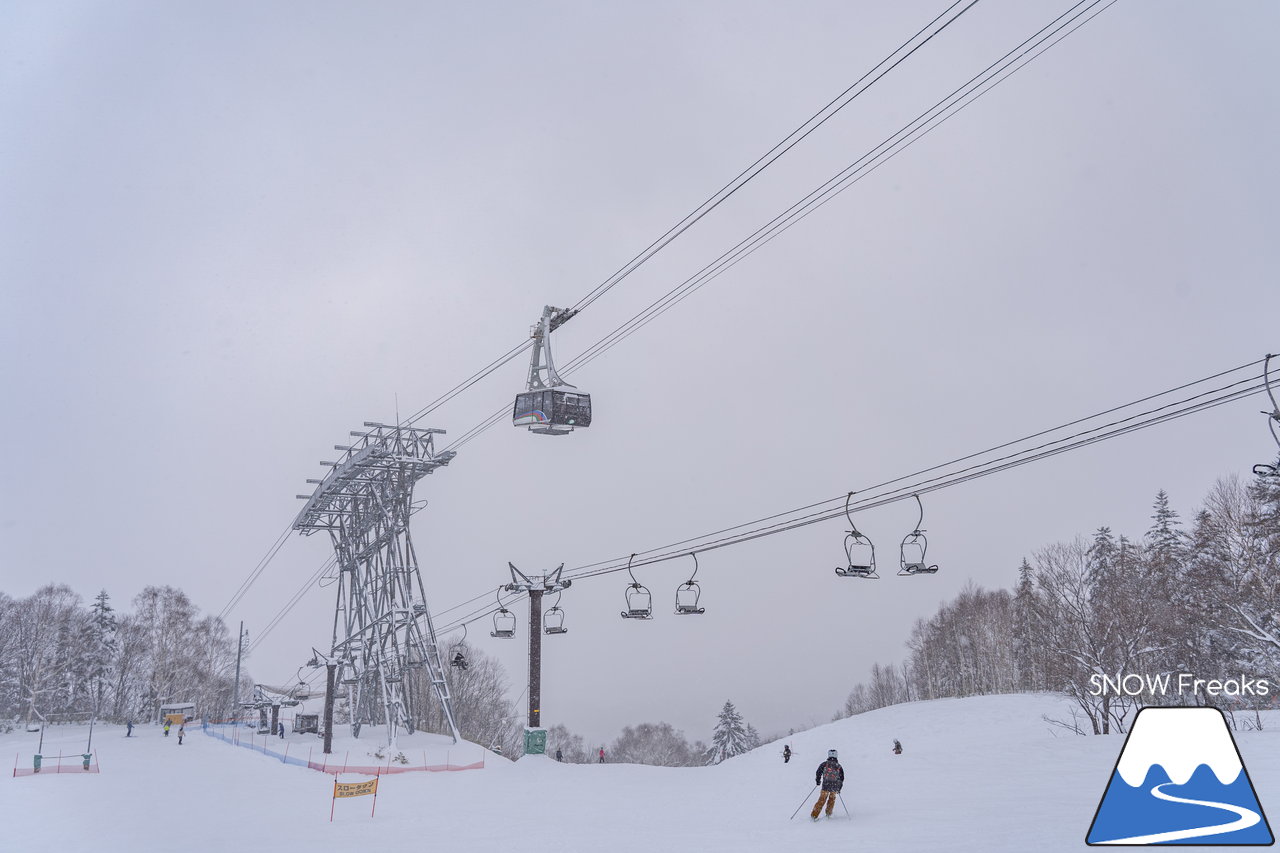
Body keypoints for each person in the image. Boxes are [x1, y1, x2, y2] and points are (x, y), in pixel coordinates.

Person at [810, 749, 844, 821]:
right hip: (834, 788)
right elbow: (841, 778)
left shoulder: (824, 764)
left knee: (821, 800)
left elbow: (818, 772)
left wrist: (818, 781)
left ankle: (814, 816)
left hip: (825, 786)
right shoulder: (839, 766)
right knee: (831, 800)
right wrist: (839, 788)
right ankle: (828, 814)